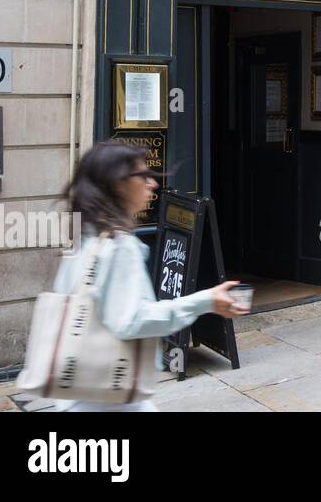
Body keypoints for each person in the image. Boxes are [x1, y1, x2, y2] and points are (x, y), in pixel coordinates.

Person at [47, 141, 246, 411]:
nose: (152, 183)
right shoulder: (119, 245)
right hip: (112, 392)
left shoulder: (84, 238)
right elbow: (133, 321)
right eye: (142, 176)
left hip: (79, 390)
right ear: (119, 184)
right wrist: (206, 300)